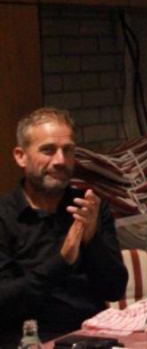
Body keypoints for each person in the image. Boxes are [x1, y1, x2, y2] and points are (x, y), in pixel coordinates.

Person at [0, 108, 128, 347]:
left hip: (92, 336)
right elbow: (4, 302)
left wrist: (92, 240)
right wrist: (61, 260)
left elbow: (114, 289)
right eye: (48, 150)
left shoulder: (89, 207)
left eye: (67, 150)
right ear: (21, 156)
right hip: (30, 340)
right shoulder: (5, 216)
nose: (60, 161)